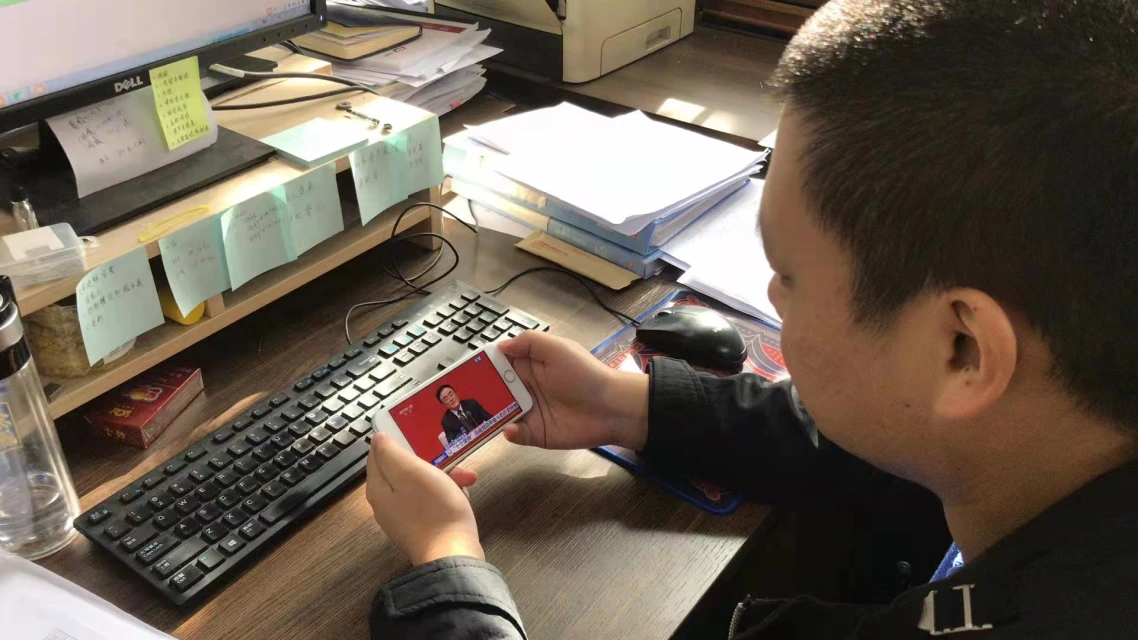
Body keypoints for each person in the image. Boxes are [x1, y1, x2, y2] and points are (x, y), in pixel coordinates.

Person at [363, 0, 1138, 637]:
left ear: (962, 349)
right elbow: (904, 434)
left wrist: (447, 569)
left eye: (790, 275)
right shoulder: (1055, 441)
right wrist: (626, 404)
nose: (773, 296)